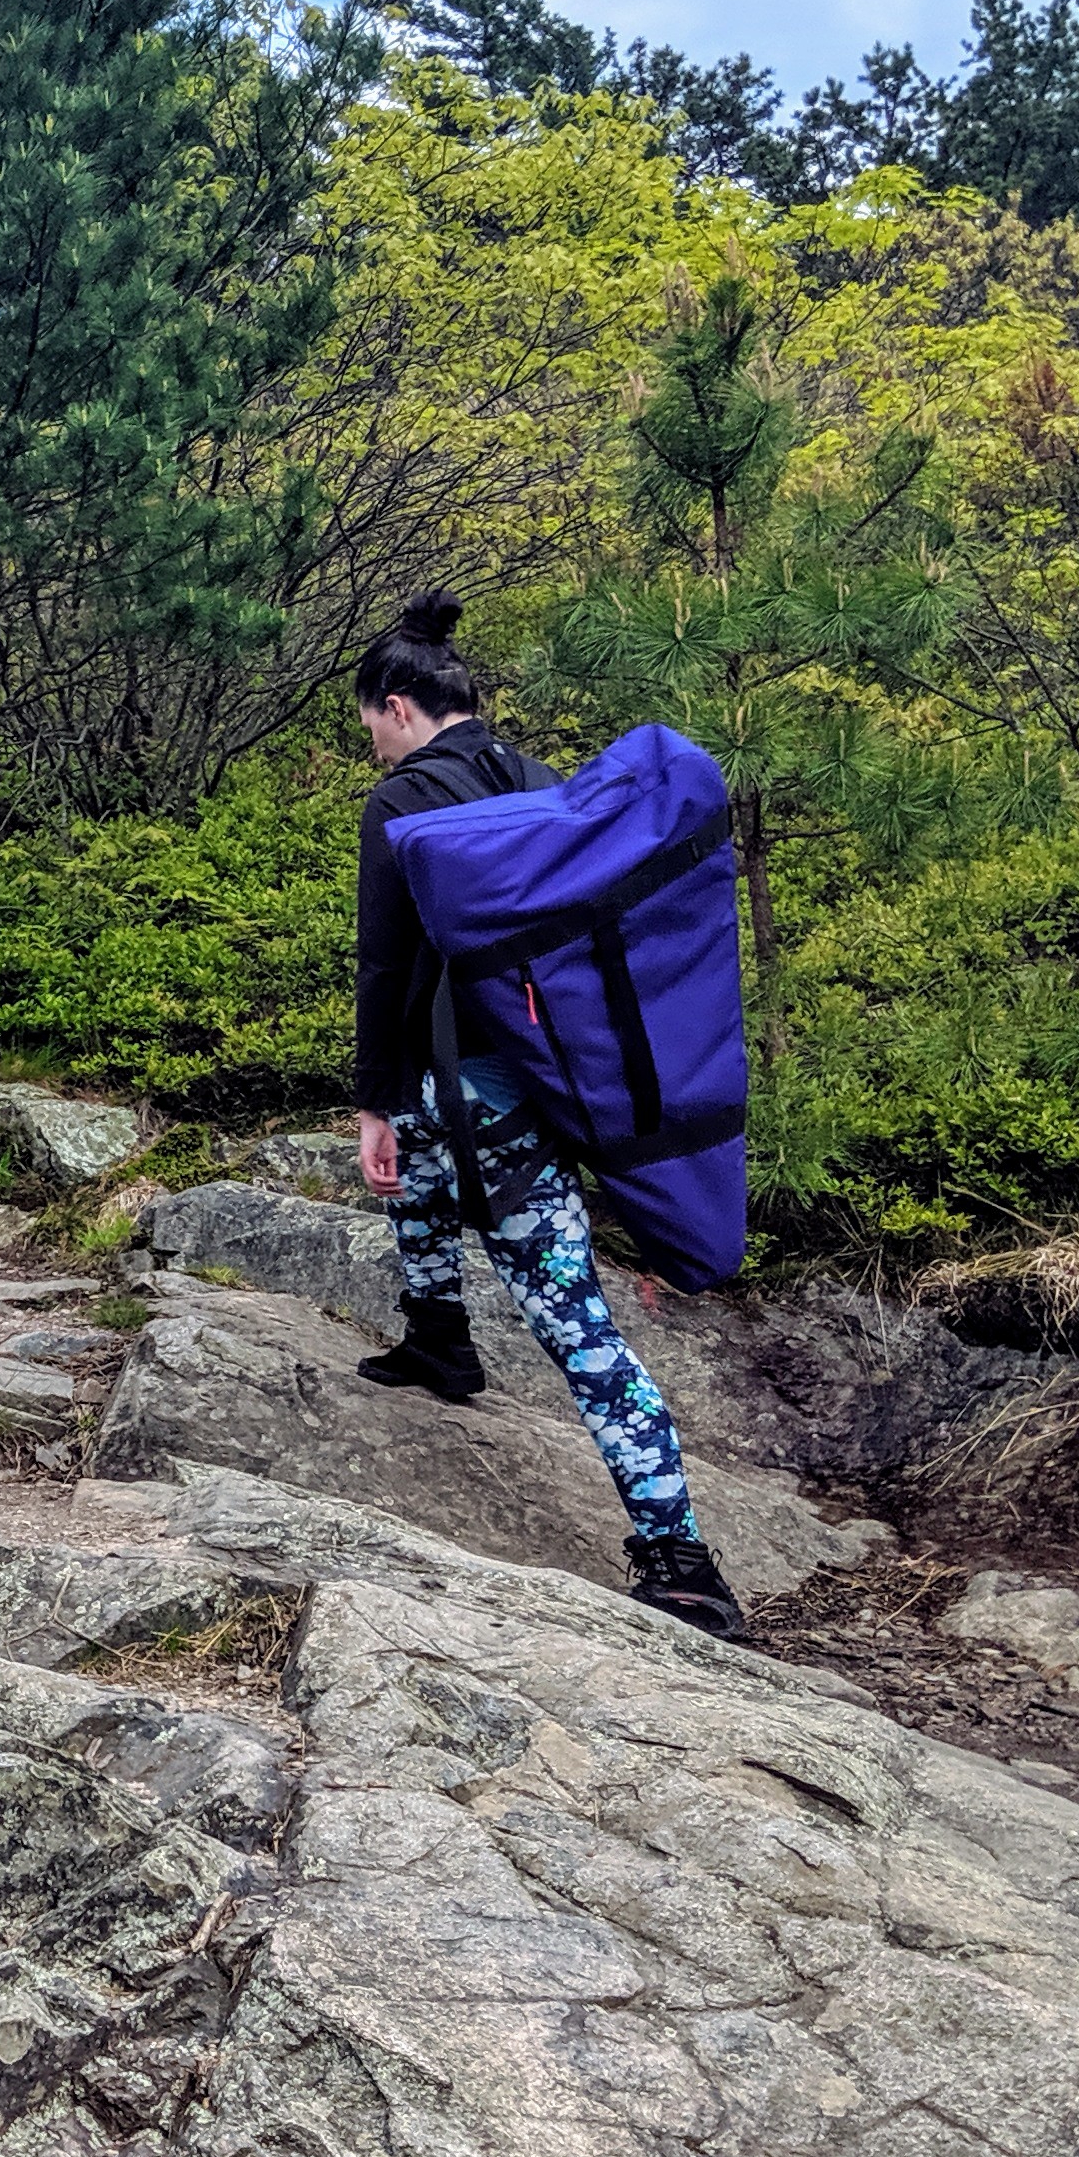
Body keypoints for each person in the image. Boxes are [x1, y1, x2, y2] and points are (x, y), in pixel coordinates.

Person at [346, 591, 744, 1638]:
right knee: (424, 1187)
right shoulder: (541, 789)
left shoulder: (401, 808)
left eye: (370, 730)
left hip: (457, 1085)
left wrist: (372, 1104)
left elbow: (385, 968)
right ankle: (439, 1339)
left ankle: (683, 1558)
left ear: (398, 707)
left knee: (573, 1323)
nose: (373, 752)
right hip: (541, 1075)